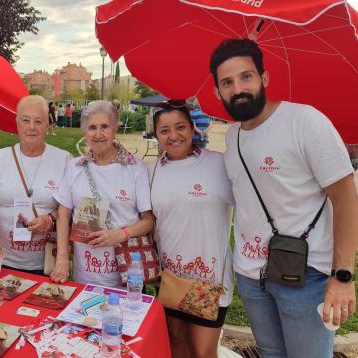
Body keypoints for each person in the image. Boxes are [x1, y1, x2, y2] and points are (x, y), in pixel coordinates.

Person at [211, 39, 358, 357]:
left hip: (306, 275)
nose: (238, 88)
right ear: (217, 92)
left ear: (264, 78)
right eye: (227, 82)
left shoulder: (305, 122)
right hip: (251, 275)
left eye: (246, 76)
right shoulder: (233, 135)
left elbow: (345, 196)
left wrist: (343, 275)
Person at [150, 99, 234, 358]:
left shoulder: (220, 164)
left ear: (192, 128)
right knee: (176, 344)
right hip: (170, 279)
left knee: (203, 351)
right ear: (156, 135)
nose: (173, 136)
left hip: (209, 282)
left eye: (180, 127)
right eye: (164, 130)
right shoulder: (151, 170)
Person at [52, 100, 153, 286]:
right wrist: (62, 258)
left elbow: (148, 221)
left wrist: (120, 234)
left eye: (105, 126)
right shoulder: (75, 166)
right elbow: (63, 214)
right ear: (84, 132)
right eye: (92, 127)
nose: (98, 134)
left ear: (115, 129)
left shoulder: (135, 167)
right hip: (84, 275)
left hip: (126, 277)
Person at [0, 95, 71, 275]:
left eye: (38, 121)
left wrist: (50, 219)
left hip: (46, 264)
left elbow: (70, 209)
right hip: (3, 257)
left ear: (47, 124)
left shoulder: (64, 159)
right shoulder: (1, 158)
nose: (31, 127)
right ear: (17, 122)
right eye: (25, 120)